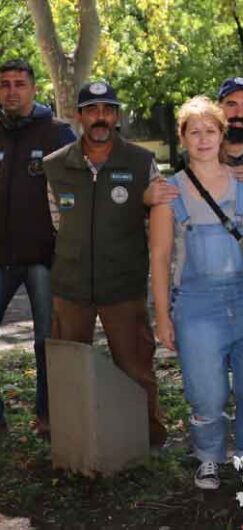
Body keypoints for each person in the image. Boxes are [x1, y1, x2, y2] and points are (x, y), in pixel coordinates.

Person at [149, 96, 243, 489]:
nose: (203, 139)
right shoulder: (168, 193)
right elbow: (159, 258)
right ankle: (208, 456)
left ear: (222, 134)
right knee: (206, 391)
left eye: (210, 131)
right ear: (183, 139)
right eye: (194, 132)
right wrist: (163, 315)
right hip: (196, 304)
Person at [43, 80, 167, 448]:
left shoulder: (142, 162)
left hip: (123, 285)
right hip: (71, 287)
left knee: (136, 368)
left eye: (108, 109)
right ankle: (68, 439)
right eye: (92, 110)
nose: (100, 117)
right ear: (79, 116)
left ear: (116, 116)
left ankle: (150, 439)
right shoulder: (55, 166)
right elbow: (55, 222)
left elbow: (155, 216)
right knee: (67, 368)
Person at [0, 59, 76, 436]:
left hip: (45, 258)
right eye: (4, 85)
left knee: (46, 341)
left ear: (33, 88)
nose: (11, 91)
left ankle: (47, 416)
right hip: (2, 257)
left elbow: (78, 189)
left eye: (19, 84)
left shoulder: (57, 133)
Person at [146, 77, 243, 233]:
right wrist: (148, 199)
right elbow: (172, 207)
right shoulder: (194, 157)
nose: (239, 112)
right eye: (231, 104)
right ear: (219, 108)